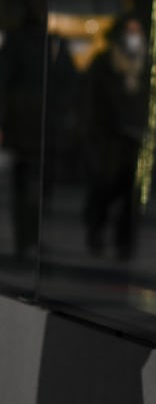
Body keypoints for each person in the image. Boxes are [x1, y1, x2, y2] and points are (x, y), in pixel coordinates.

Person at [82, 14, 149, 259]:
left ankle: (125, 243)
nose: (133, 37)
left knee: (131, 196)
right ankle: (96, 231)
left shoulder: (146, 65)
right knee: (104, 189)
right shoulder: (103, 62)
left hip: (136, 139)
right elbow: (89, 100)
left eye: (137, 31)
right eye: (129, 31)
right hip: (108, 139)